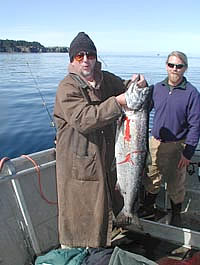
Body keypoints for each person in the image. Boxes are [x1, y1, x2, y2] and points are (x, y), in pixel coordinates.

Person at [53, 32, 146, 248]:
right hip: (79, 164)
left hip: (104, 159)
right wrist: (118, 102)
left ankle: (104, 245)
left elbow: (125, 86)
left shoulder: (105, 79)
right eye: (79, 56)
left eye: (90, 55)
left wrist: (138, 84)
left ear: (96, 57)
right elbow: (83, 119)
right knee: (81, 216)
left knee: (104, 210)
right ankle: (78, 252)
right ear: (72, 60)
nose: (86, 60)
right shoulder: (67, 87)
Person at [139, 51, 200, 226]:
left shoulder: (192, 93)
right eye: (171, 65)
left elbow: (195, 125)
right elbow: (142, 108)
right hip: (155, 143)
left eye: (179, 66)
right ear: (166, 66)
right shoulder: (156, 88)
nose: (174, 69)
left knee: (176, 183)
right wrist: (139, 87)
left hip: (178, 146)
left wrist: (188, 153)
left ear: (185, 68)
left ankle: (176, 214)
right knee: (151, 178)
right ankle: (148, 208)